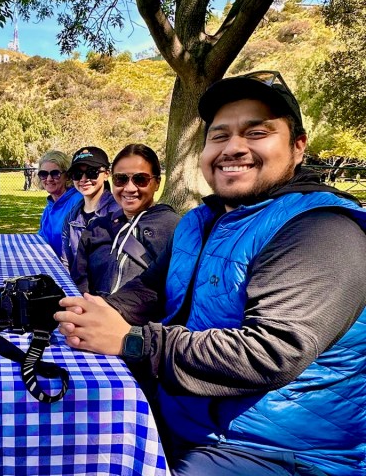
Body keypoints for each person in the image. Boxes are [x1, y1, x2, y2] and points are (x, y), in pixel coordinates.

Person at [55, 71, 366, 476]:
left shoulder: (323, 228)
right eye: (219, 136)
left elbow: (271, 353)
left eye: (256, 133)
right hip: (183, 412)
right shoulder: (200, 221)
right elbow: (149, 291)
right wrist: (84, 312)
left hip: (275, 450)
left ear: (298, 146)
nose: (233, 148)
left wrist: (132, 343)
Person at [71, 144, 180, 295]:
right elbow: (80, 281)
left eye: (140, 179)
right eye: (121, 179)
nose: (129, 188)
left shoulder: (174, 228)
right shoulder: (95, 229)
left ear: (157, 183)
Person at [61, 146, 121, 270]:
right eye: (77, 174)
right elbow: (66, 262)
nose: (83, 179)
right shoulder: (71, 217)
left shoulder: (118, 212)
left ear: (106, 174)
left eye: (92, 172)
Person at [36, 149, 82, 256]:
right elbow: (41, 239)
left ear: (67, 176)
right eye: (43, 174)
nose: (49, 179)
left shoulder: (78, 202)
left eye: (55, 174)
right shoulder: (50, 206)